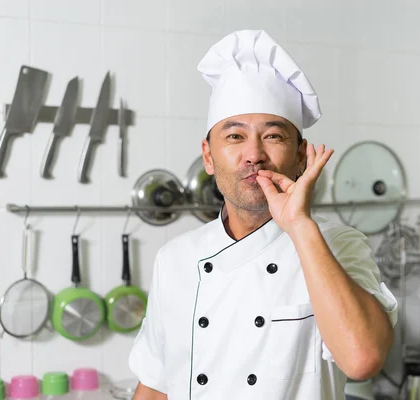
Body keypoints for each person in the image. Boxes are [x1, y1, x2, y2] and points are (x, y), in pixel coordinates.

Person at [129, 29, 398, 400]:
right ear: (208, 156)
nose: (253, 154)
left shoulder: (337, 245)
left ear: (301, 155)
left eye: (273, 136)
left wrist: (300, 227)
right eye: (235, 137)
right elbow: (156, 384)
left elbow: (363, 358)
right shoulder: (175, 258)